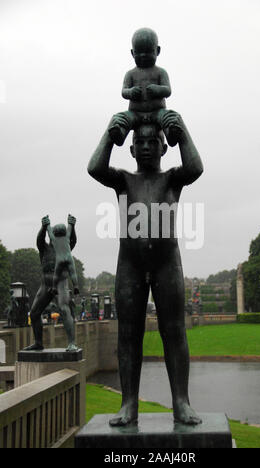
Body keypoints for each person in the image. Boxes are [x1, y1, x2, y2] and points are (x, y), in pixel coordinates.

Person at [88, 110, 204, 426]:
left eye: (154, 141)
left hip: (167, 262)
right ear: (132, 148)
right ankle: (129, 404)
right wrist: (111, 133)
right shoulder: (124, 181)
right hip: (131, 265)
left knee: (175, 331)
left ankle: (181, 401)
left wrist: (181, 128)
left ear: (164, 148)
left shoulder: (172, 179)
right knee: (128, 335)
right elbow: (95, 167)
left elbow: (195, 167)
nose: (147, 147)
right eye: (141, 142)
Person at [108, 28, 181, 148]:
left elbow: (168, 90)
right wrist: (130, 92)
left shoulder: (160, 72)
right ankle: (119, 133)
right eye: (139, 53)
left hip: (157, 112)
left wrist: (158, 90)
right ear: (132, 53)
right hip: (135, 113)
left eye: (148, 52)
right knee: (121, 118)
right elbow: (124, 91)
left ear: (157, 51)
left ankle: (172, 134)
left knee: (168, 118)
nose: (143, 56)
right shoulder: (130, 74)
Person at [24, 214, 77, 351]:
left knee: (64, 310)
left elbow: (73, 240)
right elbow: (39, 239)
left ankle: (72, 342)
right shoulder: (44, 248)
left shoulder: (65, 247)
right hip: (46, 284)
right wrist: (43, 227)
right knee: (34, 313)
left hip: (61, 284)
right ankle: (38, 342)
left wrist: (73, 226)